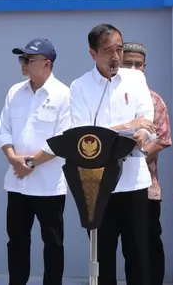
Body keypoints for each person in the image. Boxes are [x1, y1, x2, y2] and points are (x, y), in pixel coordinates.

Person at [69, 24, 154, 285]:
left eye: (119, 49)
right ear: (93, 54)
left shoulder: (135, 79)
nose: (116, 57)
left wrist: (141, 133)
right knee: (102, 256)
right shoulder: (80, 87)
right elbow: (84, 135)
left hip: (134, 182)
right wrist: (127, 126)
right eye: (108, 51)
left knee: (138, 252)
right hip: (97, 183)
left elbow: (147, 120)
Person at [0, 38, 71, 285]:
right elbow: (4, 129)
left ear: (46, 64)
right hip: (17, 184)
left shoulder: (63, 94)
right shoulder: (14, 92)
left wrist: (30, 164)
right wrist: (12, 157)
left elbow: (63, 139)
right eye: (22, 58)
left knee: (53, 242)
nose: (23, 63)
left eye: (29, 59)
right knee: (16, 240)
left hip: (49, 185)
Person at [122, 42, 172, 285]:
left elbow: (162, 139)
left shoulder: (154, 100)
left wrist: (133, 152)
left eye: (137, 64)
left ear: (145, 67)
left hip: (146, 187)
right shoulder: (109, 95)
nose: (133, 68)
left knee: (147, 244)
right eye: (127, 63)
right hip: (111, 184)